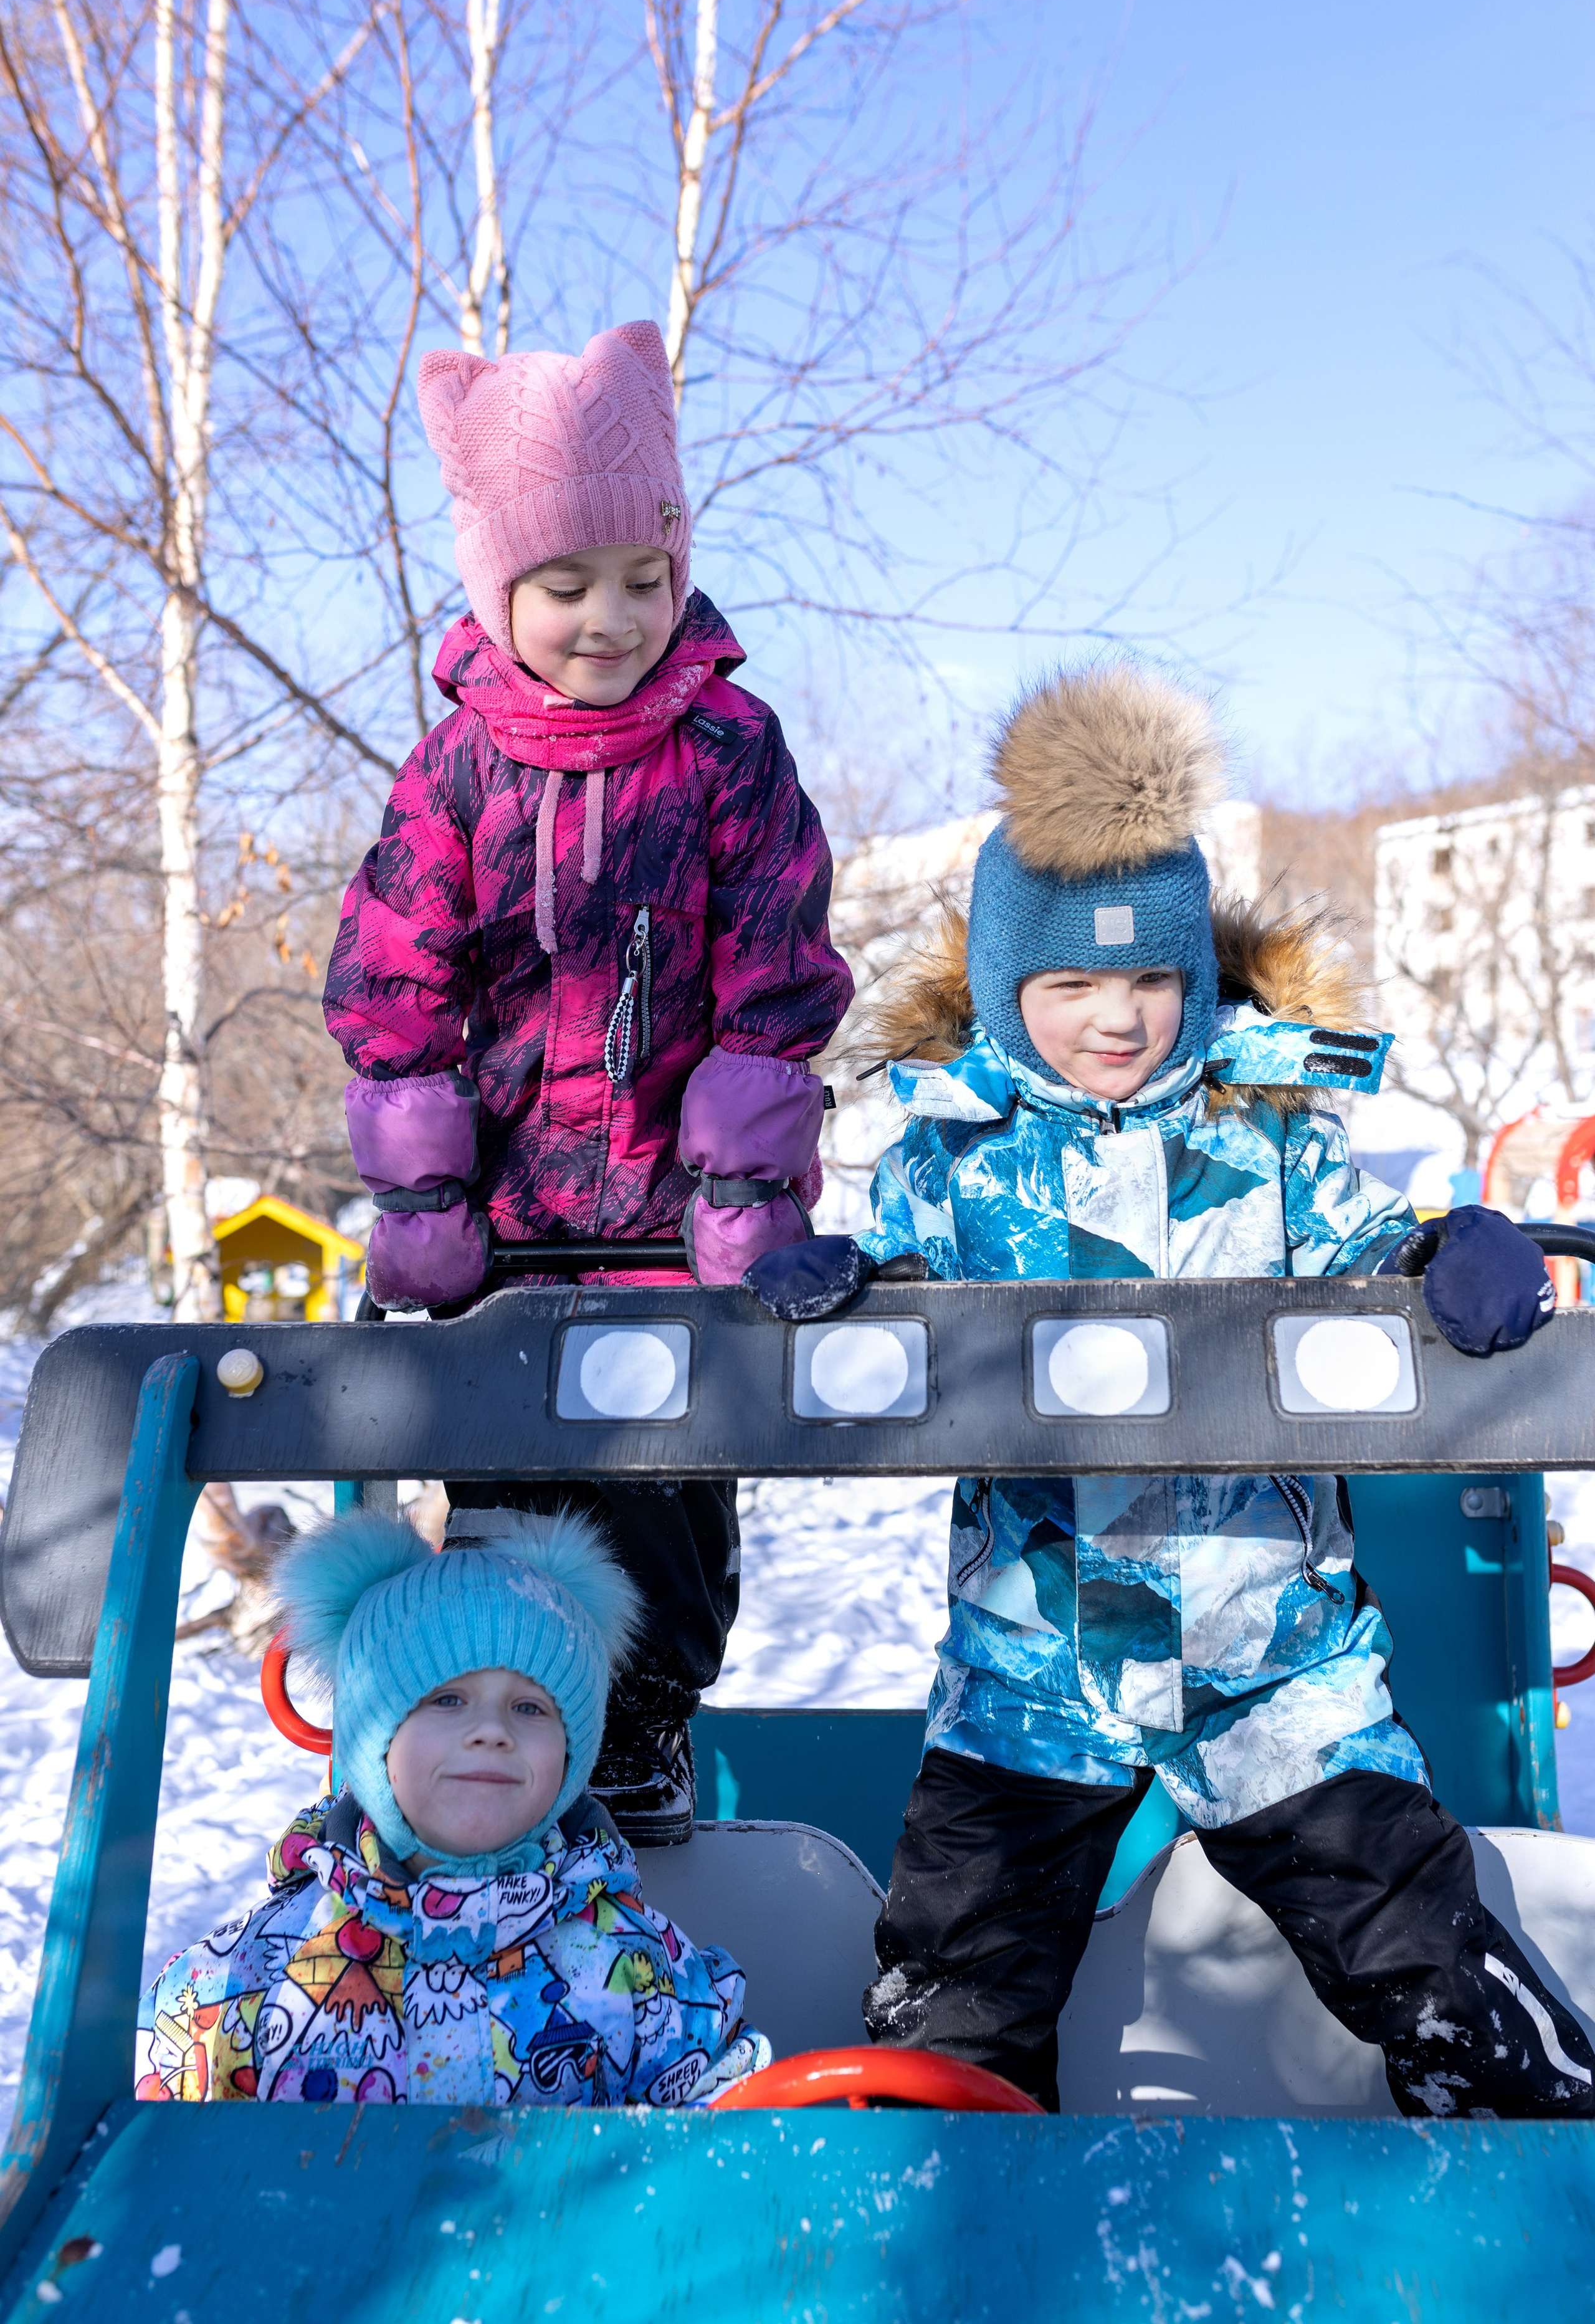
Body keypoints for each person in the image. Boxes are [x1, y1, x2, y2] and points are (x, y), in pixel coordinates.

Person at [747, 662, 1594, 2120]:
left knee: (1415, 1934)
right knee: (955, 1979)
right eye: (1070, 984)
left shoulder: (1265, 1140)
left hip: (1272, 1658)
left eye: (1149, 980)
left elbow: (1355, 1251)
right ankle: (938, 2186)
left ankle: (1529, 2161)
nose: (1117, 1017)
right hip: (1035, 1668)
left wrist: (1430, 1256)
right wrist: (853, 1289)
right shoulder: (956, 1162)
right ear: (1006, 990)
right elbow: (902, 1291)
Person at [322, 320, 854, 1842]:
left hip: (675, 1228)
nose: (609, 618)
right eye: (564, 586)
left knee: (668, 1505)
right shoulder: (456, 772)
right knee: (509, 1509)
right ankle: (505, 1763)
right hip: (510, 1234)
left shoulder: (727, 751)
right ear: (499, 592)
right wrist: (424, 1196)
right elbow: (395, 977)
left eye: (642, 577)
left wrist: (743, 1187)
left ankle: (647, 1736)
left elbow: (774, 959)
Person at [136, 1509, 769, 2108]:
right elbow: (154, 2119)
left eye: (530, 1707)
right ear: (371, 1737)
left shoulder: (630, 1962)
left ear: (573, 1755)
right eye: (447, 1700)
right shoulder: (258, 1967)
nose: (491, 1731)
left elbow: (731, 2120)